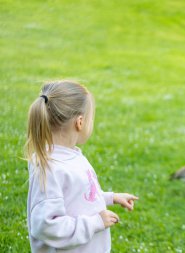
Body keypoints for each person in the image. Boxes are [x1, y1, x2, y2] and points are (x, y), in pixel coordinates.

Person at [25, 80, 138, 252]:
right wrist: (95, 222)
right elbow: (46, 226)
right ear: (80, 122)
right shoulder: (51, 168)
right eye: (91, 118)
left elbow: (77, 195)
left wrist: (110, 197)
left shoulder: (70, 155)